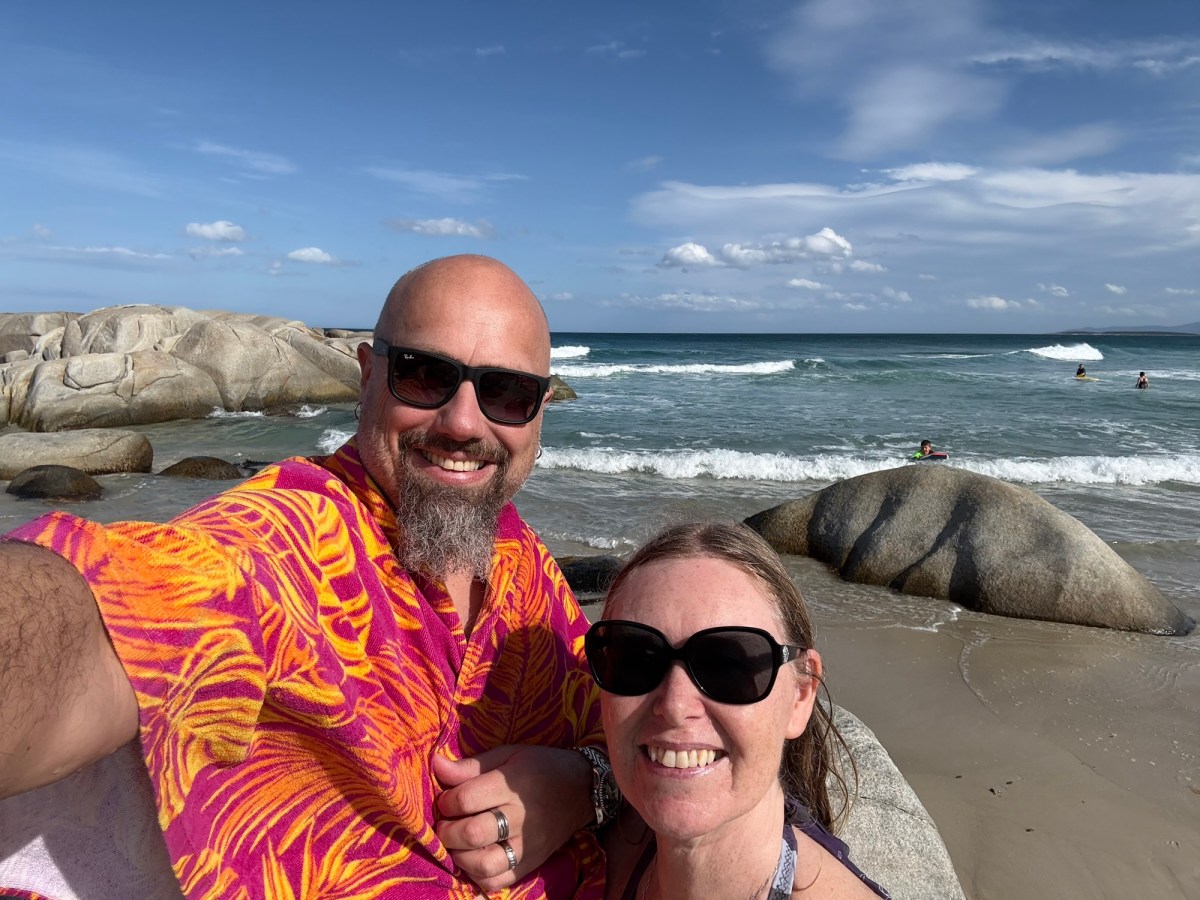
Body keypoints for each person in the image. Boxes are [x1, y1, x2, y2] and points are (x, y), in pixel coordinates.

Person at [0, 255, 616, 898]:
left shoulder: (520, 555)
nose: (463, 423)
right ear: (368, 375)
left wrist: (584, 783)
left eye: (506, 392)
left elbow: (626, 726)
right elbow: (111, 611)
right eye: (425, 374)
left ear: (540, 411)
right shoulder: (287, 540)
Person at [586, 522, 889, 899]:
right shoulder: (585, 850)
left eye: (728, 666)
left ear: (801, 696)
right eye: (635, 658)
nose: (675, 706)